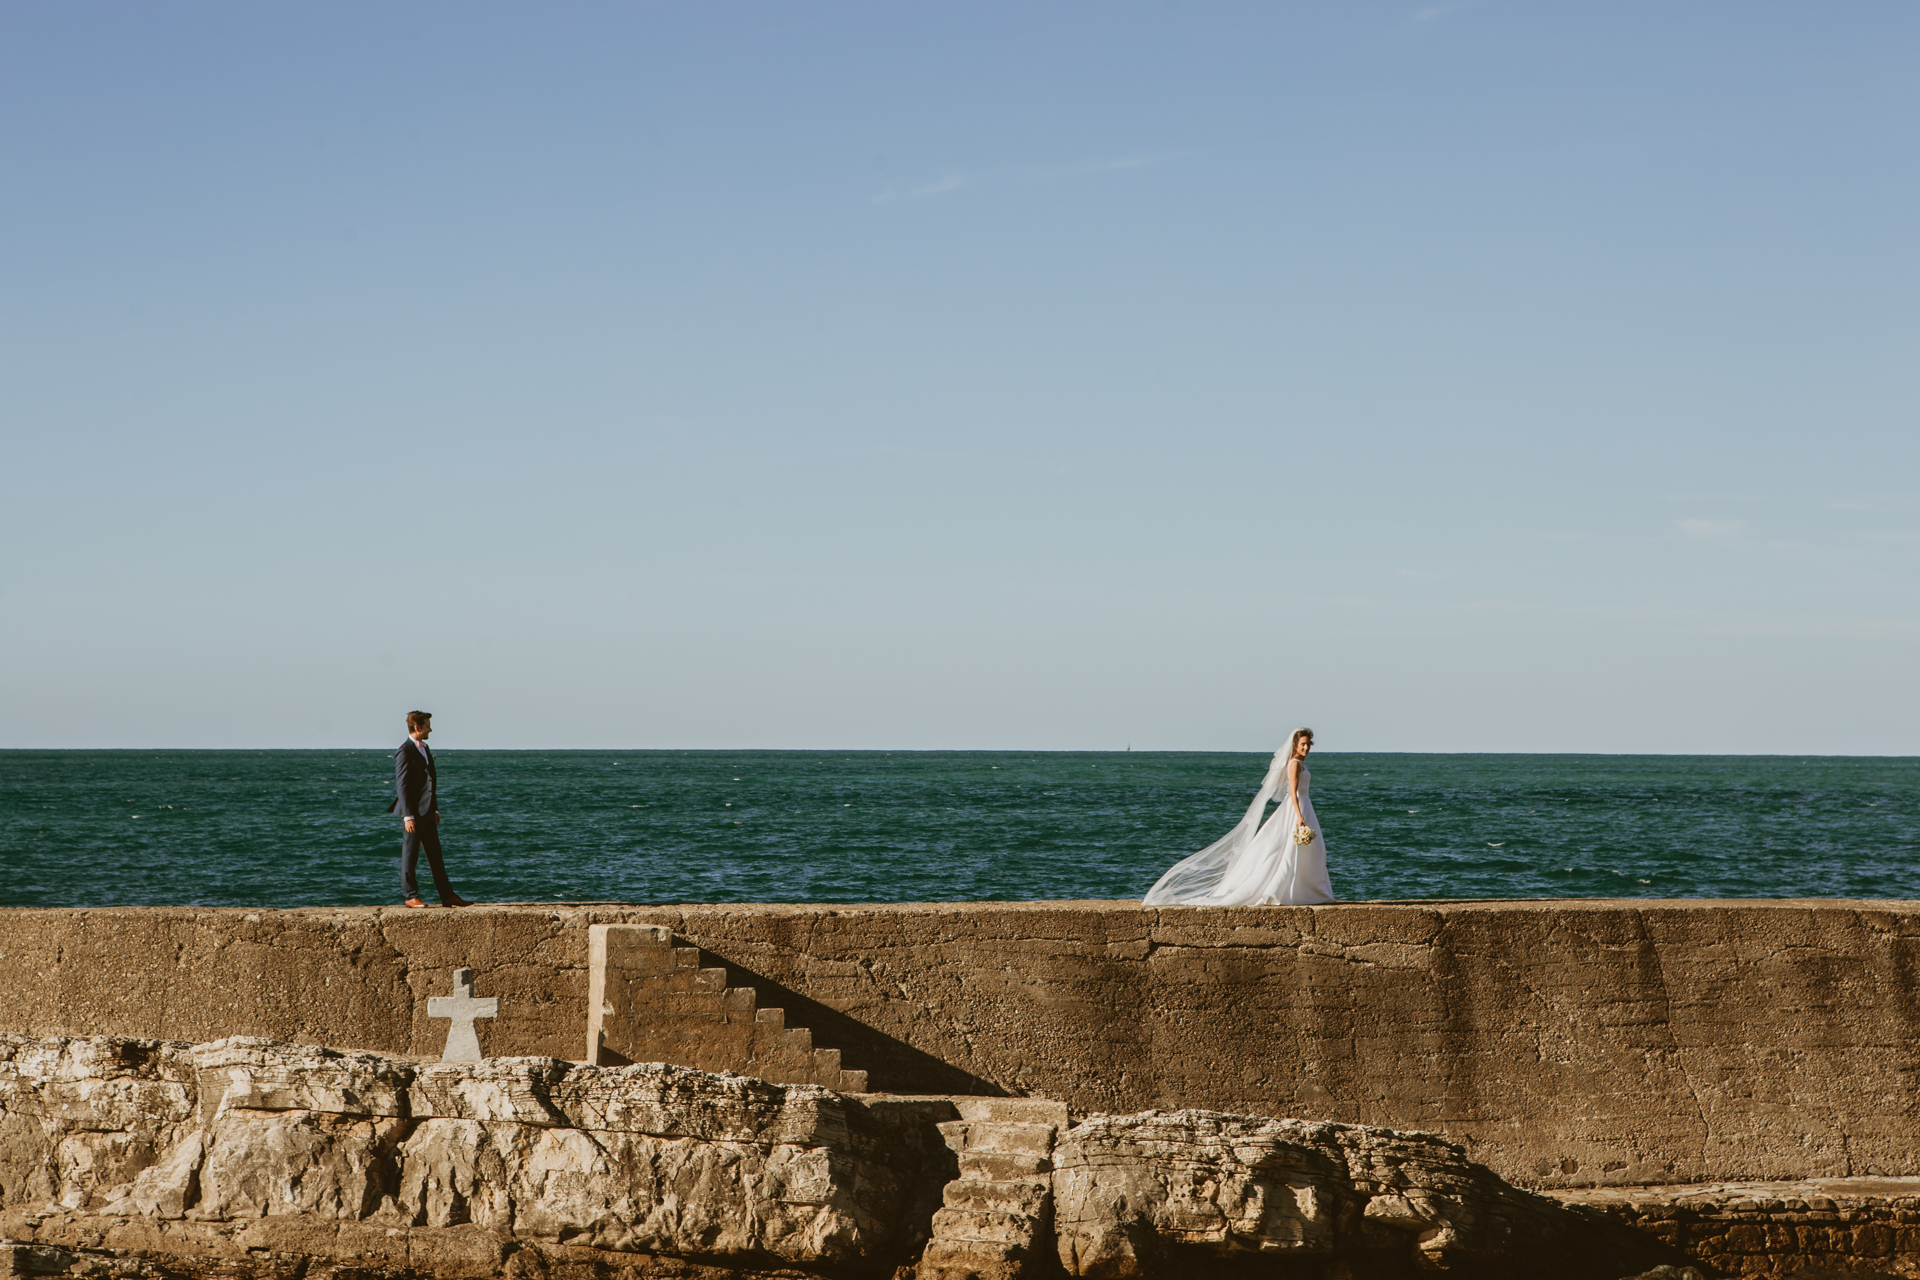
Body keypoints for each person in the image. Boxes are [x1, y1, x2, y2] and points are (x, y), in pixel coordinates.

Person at [1142, 728, 1334, 906]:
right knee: (1289, 850)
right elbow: (1292, 792)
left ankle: (1303, 892)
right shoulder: (1294, 764)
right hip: (1297, 807)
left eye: (1308, 744)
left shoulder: (1300, 763)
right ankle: (1286, 891)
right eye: (1303, 744)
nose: (1306, 747)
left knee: (1309, 850)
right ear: (1295, 745)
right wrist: (1299, 815)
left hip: (1305, 805)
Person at [387, 710, 472, 908]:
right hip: (413, 814)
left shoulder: (425, 748)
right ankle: (410, 896)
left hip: (427, 812)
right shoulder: (404, 751)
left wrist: (435, 810)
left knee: (436, 855)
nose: (430, 730)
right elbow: (402, 786)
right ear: (417, 727)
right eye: (427, 726)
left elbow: (430, 782)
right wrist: (408, 815)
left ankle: (447, 895)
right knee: (410, 855)